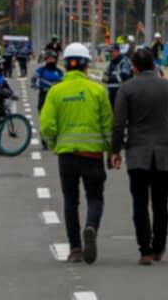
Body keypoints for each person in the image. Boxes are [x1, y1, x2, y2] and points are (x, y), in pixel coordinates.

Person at [109, 46, 168, 264]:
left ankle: (145, 250)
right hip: (163, 156)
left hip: (137, 156)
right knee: (161, 204)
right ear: (154, 65)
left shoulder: (127, 89)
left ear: (134, 68)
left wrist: (115, 150)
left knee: (139, 203)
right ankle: (159, 246)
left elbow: (118, 124)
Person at [39, 42, 113, 263]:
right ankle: (91, 226)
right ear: (86, 65)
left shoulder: (55, 91)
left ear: (66, 64)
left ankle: (75, 248)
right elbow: (108, 124)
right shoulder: (97, 90)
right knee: (95, 198)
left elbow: (46, 126)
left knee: (70, 201)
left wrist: (55, 145)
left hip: (67, 157)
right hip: (92, 155)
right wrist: (110, 151)